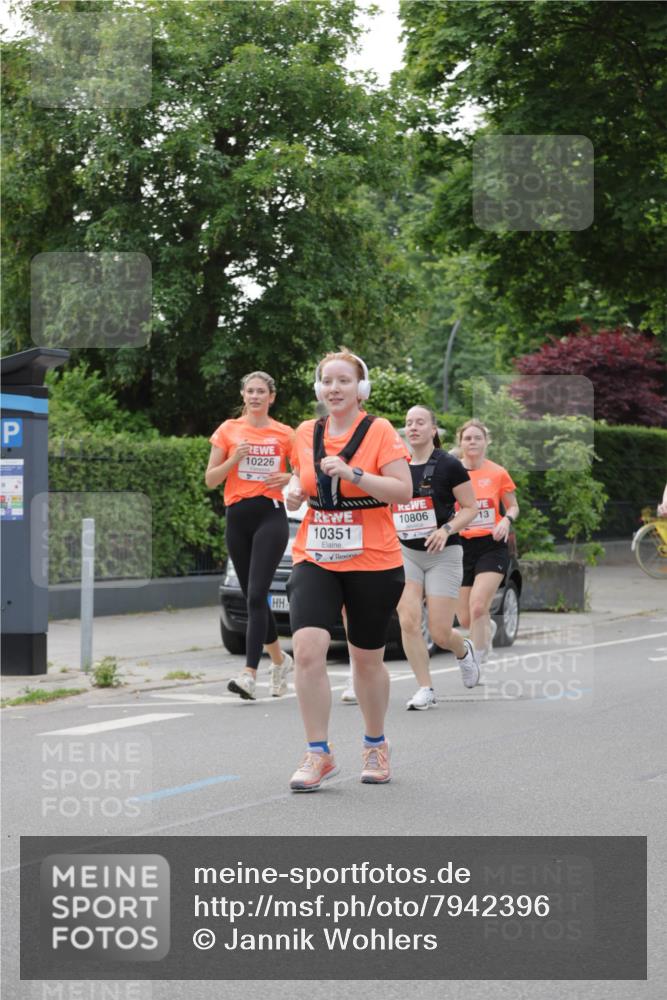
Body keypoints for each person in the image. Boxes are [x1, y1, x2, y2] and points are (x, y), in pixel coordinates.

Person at [285, 350, 412, 791]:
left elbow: (402, 490)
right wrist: (293, 494)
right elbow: (299, 479)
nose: (334, 389)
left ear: (361, 389)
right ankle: (317, 752)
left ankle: (375, 744)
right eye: (327, 381)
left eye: (343, 381)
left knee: (365, 659)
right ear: (318, 388)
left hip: (374, 558)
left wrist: (354, 472)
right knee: (306, 648)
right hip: (315, 554)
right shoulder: (305, 432)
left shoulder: (379, 431)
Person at [205, 371, 294, 700]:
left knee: (257, 595)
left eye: (262, 392)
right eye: (250, 391)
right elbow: (211, 480)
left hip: (270, 516)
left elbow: (303, 473)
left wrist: (287, 476)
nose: (255, 396)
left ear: (271, 397)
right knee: (252, 597)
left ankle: (249, 673)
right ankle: (280, 660)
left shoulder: (285, 433)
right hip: (237, 518)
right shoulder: (228, 430)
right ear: (243, 396)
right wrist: (234, 459)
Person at [395, 406, 479, 709]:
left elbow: (471, 507)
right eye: (408, 423)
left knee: (441, 632)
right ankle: (425, 688)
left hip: (443, 554)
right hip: (406, 552)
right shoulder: (396, 465)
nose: (413, 427)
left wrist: (446, 529)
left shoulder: (449, 465)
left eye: (420, 422)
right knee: (408, 619)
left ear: (433, 430)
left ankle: (463, 650)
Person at [455, 419, 519, 666]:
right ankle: (487, 628)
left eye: (477, 438)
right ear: (460, 443)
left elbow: (513, 505)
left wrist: (506, 521)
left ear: (486, 442)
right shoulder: (452, 472)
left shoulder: (497, 472)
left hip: (492, 545)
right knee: (465, 619)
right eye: (467, 438)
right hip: (461, 547)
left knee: (479, 606)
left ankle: (478, 662)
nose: (472, 442)